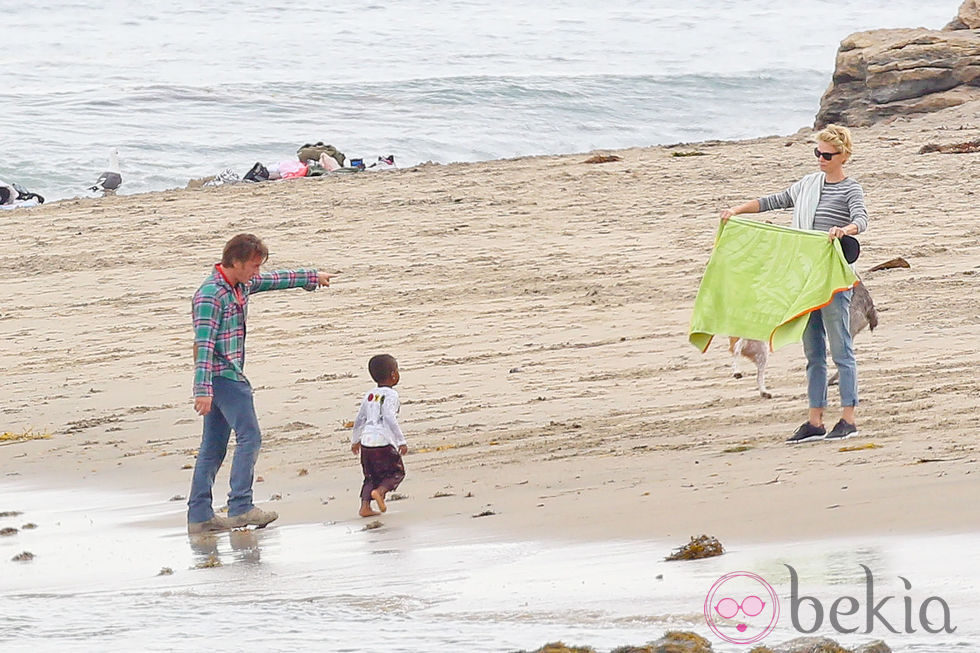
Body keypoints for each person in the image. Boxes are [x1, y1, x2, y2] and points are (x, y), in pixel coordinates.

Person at [720, 124, 868, 444]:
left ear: (843, 156)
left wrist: (845, 230)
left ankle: (848, 418)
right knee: (813, 352)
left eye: (827, 155)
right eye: (817, 152)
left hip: (833, 280)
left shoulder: (850, 189)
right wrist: (736, 211)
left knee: (841, 350)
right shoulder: (807, 185)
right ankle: (815, 421)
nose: (820, 159)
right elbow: (773, 200)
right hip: (804, 279)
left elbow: (862, 220)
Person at [187, 233, 333, 534]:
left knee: (213, 447)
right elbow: (202, 346)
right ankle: (241, 506)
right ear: (235, 262)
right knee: (249, 437)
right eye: (253, 266)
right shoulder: (210, 295)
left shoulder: (240, 284)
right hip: (222, 376)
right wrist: (202, 391)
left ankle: (200, 517)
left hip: (226, 375)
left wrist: (311, 278)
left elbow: (275, 280)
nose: (257, 272)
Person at [350, 354, 408, 517]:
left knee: (370, 476)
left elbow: (360, 418)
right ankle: (380, 492)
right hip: (383, 442)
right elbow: (389, 417)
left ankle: (365, 506)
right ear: (393, 375)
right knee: (396, 473)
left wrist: (356, 440)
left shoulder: (369, 395)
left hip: (367, 442)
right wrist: (401, 441)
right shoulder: (391, 395)